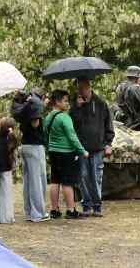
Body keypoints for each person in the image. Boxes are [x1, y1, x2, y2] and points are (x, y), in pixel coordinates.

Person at [70, 78, 114, 217]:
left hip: (97, 147)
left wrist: (108, 144)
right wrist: (77, 107)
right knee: (83, 177)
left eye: (82, 88)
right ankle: (87, 205)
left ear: (89, 87)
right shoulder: (76, 104)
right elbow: (72, 125)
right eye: (79, 89)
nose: (81, 91)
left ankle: (97, 206)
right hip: (82, 147)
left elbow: (109, 125)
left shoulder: (101, 103)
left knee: (96, 177)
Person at [45, 89, 89, 219]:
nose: (67, 103)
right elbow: (72, 137)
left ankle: (54, 210)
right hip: (66, 153)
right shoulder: (65, 117)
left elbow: (45, 133)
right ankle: (71, 210)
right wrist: (82, 151)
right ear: (57, 102)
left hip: (53, 151)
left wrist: (50, 146)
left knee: (55, 180)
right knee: (67, 182)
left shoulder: (48, 117)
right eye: (65, 101)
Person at [12, 88, 50, 222]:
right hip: (35, 146)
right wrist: (40, 112)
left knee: (28, 181)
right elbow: (35, 124)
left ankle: (29, 211)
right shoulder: (35, 108)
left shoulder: (23, 107)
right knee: (38, 180)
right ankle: (38, 213)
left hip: (25, 146)